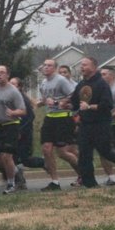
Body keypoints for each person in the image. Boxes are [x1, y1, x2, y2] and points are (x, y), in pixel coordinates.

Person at [59, 56, 115, 188]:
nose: (82, 67)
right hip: (85, 125)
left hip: (100, 125)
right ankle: (90, 185)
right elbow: (76, 104)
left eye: (85, 65)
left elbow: (107, 106)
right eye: (81, 65)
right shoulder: (82, 84)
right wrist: (66, 105)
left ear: (93, 67)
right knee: (84, 156)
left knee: (107, 153)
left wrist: (88, 107)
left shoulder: (101, 84)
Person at [37, 59, 79, 191]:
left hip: (63, 118)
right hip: (50, 118)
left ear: (54, 68)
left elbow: (73, 96)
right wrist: (42, 102)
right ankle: (54, 181)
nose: (46, 68)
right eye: (44, 65)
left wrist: (56, 101)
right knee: (46, 148)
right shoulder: (43, 83)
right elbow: (47, 99)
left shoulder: (61, 80)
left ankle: (84, 172)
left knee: (62, 153)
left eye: (49, 66)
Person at [0, 66, 27, 196]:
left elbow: (23, 110)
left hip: (10, 125)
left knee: (6, 156)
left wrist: (13, 112)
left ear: (8, 75)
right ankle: (15, 173)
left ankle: (11, 183)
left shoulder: (13, 91)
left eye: (2, 73)